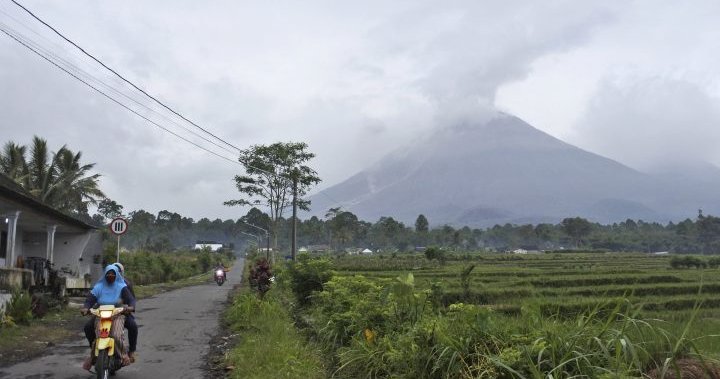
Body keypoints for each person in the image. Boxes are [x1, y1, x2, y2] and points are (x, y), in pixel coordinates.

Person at [81, 265, 137, 370]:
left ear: (117, 274)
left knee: (121, 332)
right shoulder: (99, 287)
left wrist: (130, 307)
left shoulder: (123, 286)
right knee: (90, 328)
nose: (110, 276)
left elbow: (131, 299)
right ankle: (93, 352)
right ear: (105, 274)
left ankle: (126, 354)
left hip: (118, 313)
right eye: (108, 274)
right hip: (101, 313)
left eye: (113, 274)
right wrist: (86, 307)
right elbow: (90, 299)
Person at [112, 262, 137, 362]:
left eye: (117, 272)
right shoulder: (103, 284)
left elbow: (132, 299)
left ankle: (131, 351)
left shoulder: (126, 284)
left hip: (121, 313)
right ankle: (94, 348)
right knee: (88, 327)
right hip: (104, 313)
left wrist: (129, 307)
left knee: (133, 326)